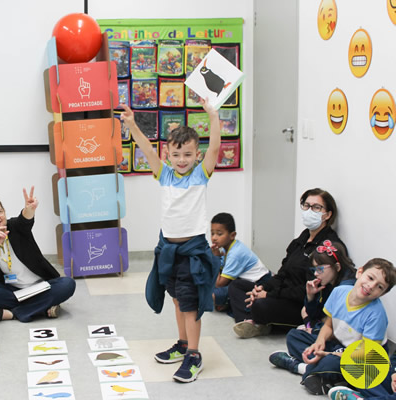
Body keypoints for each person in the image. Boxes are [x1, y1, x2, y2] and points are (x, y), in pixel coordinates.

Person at [120, 98, 220, 383]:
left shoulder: (201, 174)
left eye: (188, 154)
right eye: (176, 155)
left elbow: (214, 146)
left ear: (197, 155)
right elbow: (147, 149)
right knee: (177, 300)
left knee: (190, 305)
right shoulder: (163, 174)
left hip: (193, 251)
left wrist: (212, 115)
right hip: (169, 250)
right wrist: (131, 125)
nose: (182, 160)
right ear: (169, 154)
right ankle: (183, 343)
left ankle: (195, 355)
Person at [228, 188, 347, 338]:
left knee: (260, 305)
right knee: (237, 286)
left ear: (328, 214)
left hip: (301, 303)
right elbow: (282, 273)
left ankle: (256, 319)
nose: (309, 210)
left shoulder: (327, 246)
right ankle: (251, 321)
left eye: (316, 207)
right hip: (281, 294)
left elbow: (308, 290)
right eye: (306, 205)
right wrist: (262, 288)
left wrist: (269, 295)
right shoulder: (301, 240)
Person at [267, 258, 396, 395]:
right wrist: (319, 343)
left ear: (382, 294)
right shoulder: (339, 292)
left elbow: (363, 354)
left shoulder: (376, 314)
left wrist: (328, 354)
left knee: (336, 363)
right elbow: (329, 325)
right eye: (370, 278)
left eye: (379, 287)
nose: (371, 286)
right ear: (360, 272)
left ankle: (300, 367)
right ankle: (322, 372)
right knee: (294, 336)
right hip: (337, 344)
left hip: (361, 357)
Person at [0, 187, 75, 323]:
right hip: (13, 291)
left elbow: (25, 219)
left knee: (67, 284)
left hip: (40, 286)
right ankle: (42, 308)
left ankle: (13, 313)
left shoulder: (15, 226)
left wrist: (29, 209)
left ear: (4, 213)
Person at [210, 212, 271, 313]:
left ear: (232, 235)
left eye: (219, 234)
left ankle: (226, 302)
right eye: (212, 233)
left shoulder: (235, 253)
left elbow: (219, 283)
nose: (214, 238)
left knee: (213, 294)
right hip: (242, 280)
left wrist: (215, 259)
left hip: (260, 283)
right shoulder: (226, 247)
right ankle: (226, 301)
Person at [298, 240, 356, 333]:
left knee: (294, 336)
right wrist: (311, 297)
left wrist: (316, 331)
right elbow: (317, 314)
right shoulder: (329, 282)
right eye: (314, 269)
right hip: (328, 325)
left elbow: (335, 322)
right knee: (304, 310)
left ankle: (312, 330)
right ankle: (312, 328)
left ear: (337, 267)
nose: (316, 273)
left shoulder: (345, 288)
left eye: (320, 269)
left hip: (344, 332)